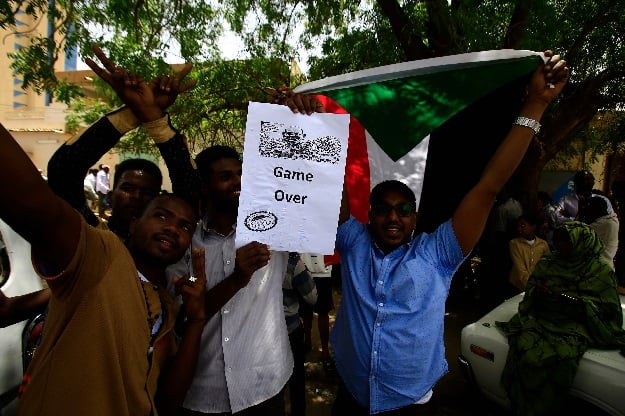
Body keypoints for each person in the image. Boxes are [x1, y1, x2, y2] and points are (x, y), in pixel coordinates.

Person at [329, 51, 568, 415]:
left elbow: (488, 187)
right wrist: (307, 119)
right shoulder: (352, 239)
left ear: (415, 216)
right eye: (383, 209)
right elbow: (328, 185)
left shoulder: (438, 252)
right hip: (350, 396)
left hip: (411, 403)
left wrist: (535, 104)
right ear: (370, 215)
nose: (393, 217)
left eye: (403, 209)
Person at [0, 113, 207, 415]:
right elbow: (36, 198)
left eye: (185, 227)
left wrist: (197, 321)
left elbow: (167, 402)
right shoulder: (99, 254)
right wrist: (134, 115)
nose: (173, 228)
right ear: (134, 224)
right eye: (161, 216)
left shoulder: (167, 307)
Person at [164, 93, 322, 416]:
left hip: (264, 387)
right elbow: (185, 319)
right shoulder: (185, 242)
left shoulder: (274, 226)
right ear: (204, 188)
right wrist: (237, 279)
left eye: (240, 175)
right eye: (225, 177)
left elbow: (331, 209)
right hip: (202, 393)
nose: (238, 183)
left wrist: (299, 123)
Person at [496, 222, 625, 416]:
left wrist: (579, 304)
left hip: (577, 323)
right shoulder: (549, 261)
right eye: (557, 241)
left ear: (581, 242)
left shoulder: (600, 271)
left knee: (561, 356)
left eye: (566, 241)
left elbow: (608, 311)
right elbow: (531, 289)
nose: (559, 246)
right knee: (523, 348)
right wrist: (539, 292)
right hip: (545, 315)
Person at [282, 253, 317, 416]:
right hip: (291, 330)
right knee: (296, 378)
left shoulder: (253, 256)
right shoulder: (293, 262)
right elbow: (312, 297)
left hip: (263, 332)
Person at [299, 253, 334, 367]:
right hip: (303, 269)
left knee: (323, 312)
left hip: (323, 271)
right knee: (305, 312)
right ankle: (307, 342)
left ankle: (325, 351)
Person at [508, 213, 551, 293]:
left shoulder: (543, 244)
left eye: (523, 226)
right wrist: (532, 287)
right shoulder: (514, 243)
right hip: (519, 286)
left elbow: (548, 266)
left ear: (533, 227)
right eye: (518, 226)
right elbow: (520, 270)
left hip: (538, 286)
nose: (519, 229)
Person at [583, 196, 619, 270]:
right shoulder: (613, 220)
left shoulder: (603, 224)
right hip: (605, 267)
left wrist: (580, 212)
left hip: (599, 270)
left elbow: (577, 231)